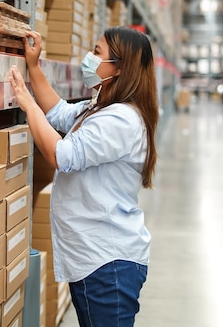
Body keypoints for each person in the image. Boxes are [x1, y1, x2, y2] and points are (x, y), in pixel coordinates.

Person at [9, 27, 159, 327]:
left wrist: (28, 105)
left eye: (97, 52)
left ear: (118, 69)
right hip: (98, 259)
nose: (89, 58)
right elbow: (60, 113)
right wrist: (34, 67)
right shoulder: (104, 109)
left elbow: (61, 155)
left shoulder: (121, 120)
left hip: (107, 263)